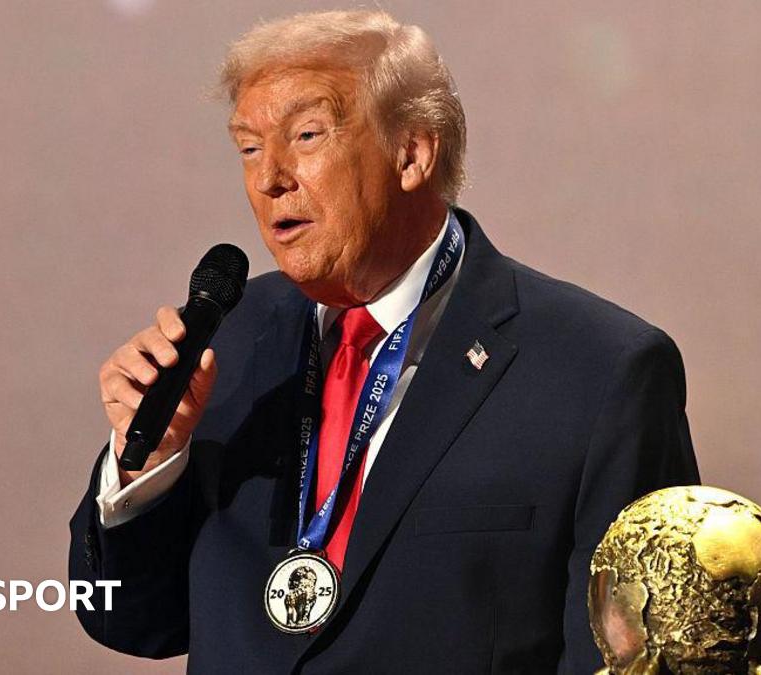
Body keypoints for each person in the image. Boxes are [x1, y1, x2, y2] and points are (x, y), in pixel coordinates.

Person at [68, 9, 698, 674]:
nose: (268, 178)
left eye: (306, 135)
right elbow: (132, 619)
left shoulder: (600, 373)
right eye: (249, 147)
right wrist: (151, 466)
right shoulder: (230, 334)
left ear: (412, 154)